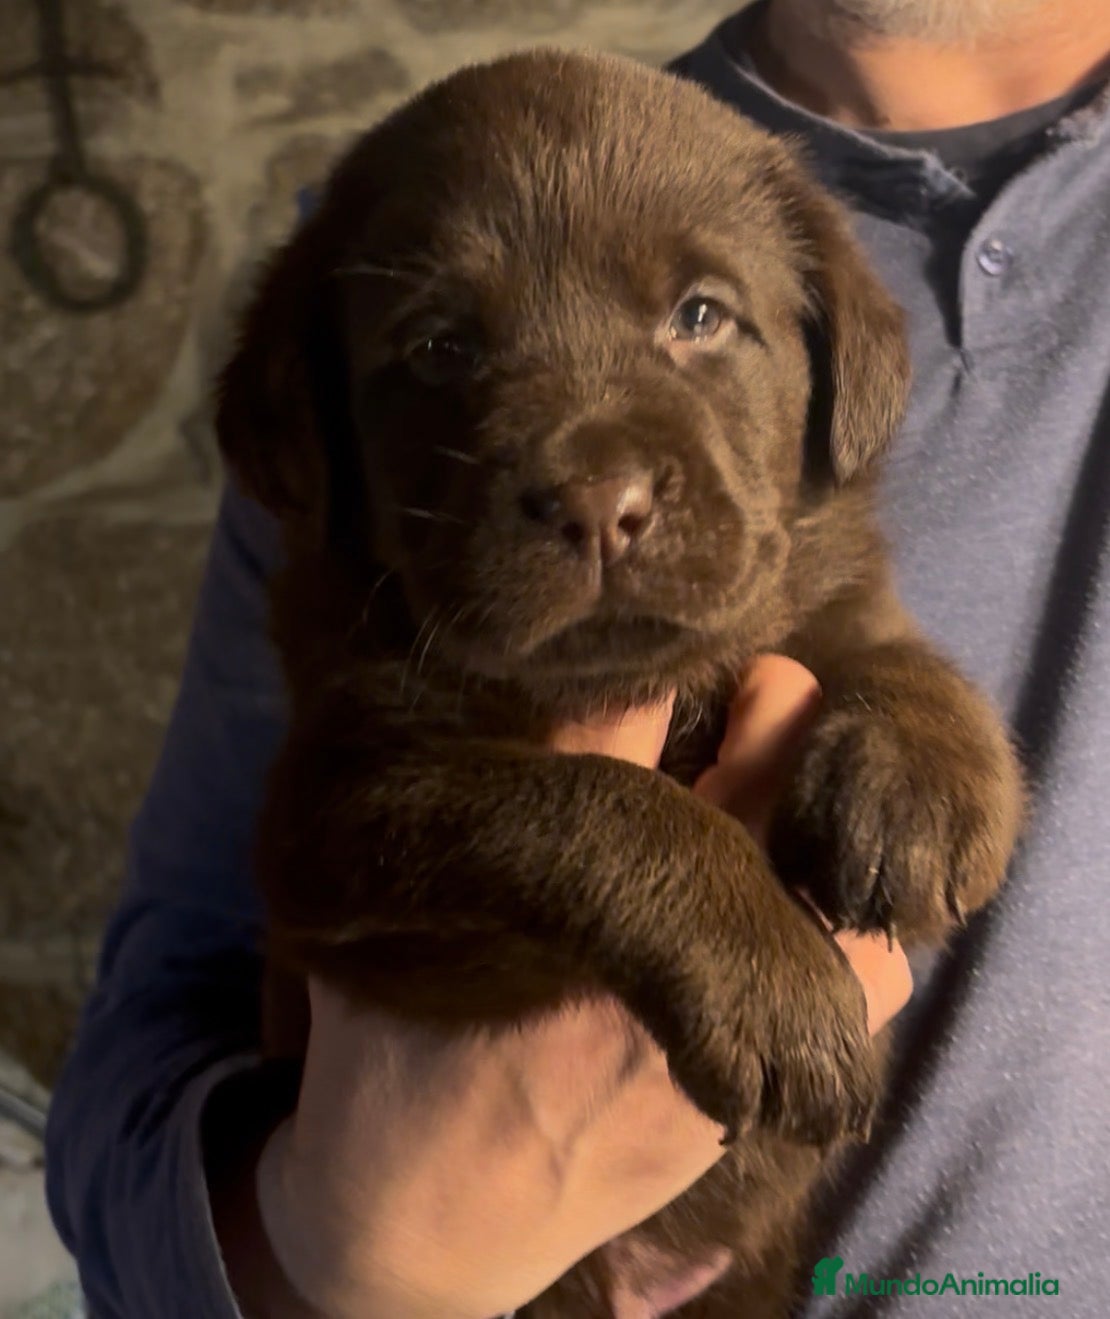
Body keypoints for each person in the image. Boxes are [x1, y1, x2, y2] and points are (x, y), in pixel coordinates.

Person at [44, 0, 1110, 1314]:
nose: (595, 484)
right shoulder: (382, 232)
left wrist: (923, 735)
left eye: (701, 317)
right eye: (442, 348)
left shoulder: (777, 293)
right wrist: (348, 1253)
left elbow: (876, 665)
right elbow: (216, 973)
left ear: (841, 379)